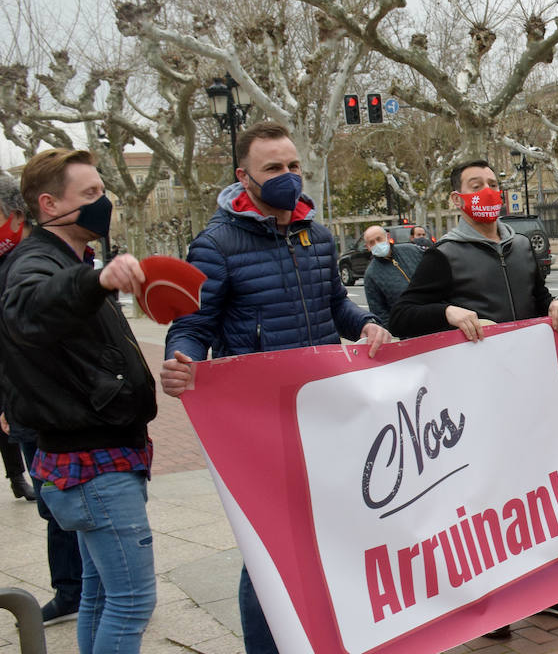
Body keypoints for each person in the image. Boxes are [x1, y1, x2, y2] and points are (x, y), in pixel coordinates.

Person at [160, 122, 391, 654]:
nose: (288, 177)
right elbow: (193, 324)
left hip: (324, 409)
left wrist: (365, 324)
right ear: (244, 177)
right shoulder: (216, 243)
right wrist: (184, 359)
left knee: (333, 530)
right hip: (262, 420)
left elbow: (336, 305)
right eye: (273, 169)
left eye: (292, 166)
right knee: (269, 548)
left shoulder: (318, 233)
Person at [389, 159, 558, 638]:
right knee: (481, 499)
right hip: (471, 400)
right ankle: (489, 599)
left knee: (532, 494)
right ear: (459, 199)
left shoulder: (520, 247)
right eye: (475, 185)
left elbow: (536, 296)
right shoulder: (445, 254)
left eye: (493, 184)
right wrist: (449, 311)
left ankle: (543, 588)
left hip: (526, 390)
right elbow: (403, 315)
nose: (487, 191)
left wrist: (554, 303)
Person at [0, 149, 158, 652]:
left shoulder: (68, 259)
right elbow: (30, 307)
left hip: (96, 459)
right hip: (93, 466)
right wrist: (97, 280)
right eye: (89, 195)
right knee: (132, 601)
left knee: (97, 594)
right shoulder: (36, 262)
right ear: (49, 205)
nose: (103, 202)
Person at [0, 170, 83, 626]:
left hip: (45, 405)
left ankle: (79, 590)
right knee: (55, 506)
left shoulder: (31, 261)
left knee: (63, 505)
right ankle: (76, 589)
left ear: (16, 212)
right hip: (25, 402)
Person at [362, 224, 424, 328]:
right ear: (367, 247)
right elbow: (379, 311)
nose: (377, 244)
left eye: (379, 239)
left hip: (436, 315)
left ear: (388, 237)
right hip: (409, 329)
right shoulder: (371, 275)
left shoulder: (412, 250)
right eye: (372, 242)